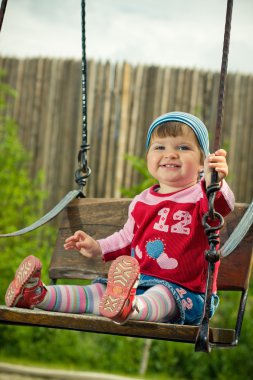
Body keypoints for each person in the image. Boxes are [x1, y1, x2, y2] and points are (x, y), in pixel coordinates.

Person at [5, 111, 235, 325]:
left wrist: (216, 180)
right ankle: (37, 295)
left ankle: (131, 307)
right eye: (160, 147)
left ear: (202, 162)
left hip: (187, 293)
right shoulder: (142, 201)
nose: (170, 154)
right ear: (148, 157)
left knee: (161, 295)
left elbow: (223, 205)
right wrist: (97, 247)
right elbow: (126, 238)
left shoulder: (203, 195)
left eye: (184, 147)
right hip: (137, 284)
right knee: (95, 293)